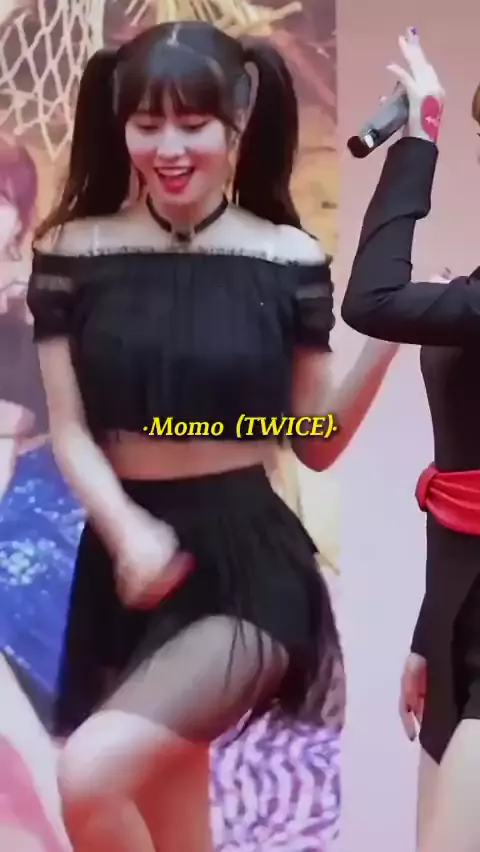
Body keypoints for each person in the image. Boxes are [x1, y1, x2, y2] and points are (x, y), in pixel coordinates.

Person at [27, 20, 398, 852]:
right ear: (120, 125)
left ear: (238, 120)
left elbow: (314, 440)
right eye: (147, 123)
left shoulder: (286, 257)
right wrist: (127, 531)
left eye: (192, 124)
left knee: (90, 774)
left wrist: (388, 339)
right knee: (173, 821)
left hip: (249, 566)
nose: (169, 148)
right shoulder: (71, 253)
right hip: (126, 563)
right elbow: (72, 431)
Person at [341, 25, 480, 852]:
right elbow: (462, 478)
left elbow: (373, 299)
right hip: (463, 621)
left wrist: (418, 138)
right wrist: (433, 633)